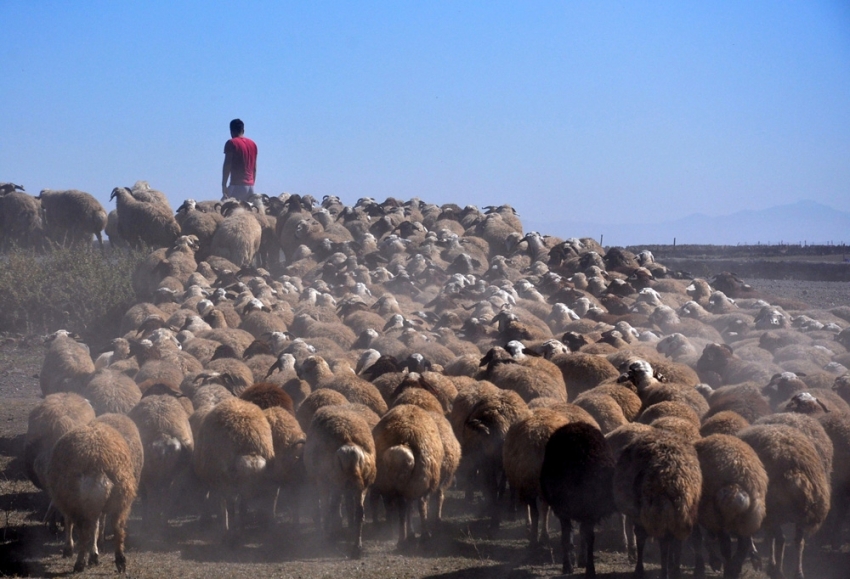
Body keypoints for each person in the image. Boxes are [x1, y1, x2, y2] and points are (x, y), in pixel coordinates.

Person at [221, 118, 258, 201]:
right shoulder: (253, 144)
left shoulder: (231, 143)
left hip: (237, 185)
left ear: (231, 131)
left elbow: (227, 165)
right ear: (243, 130)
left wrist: (224, 184)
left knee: (222, 209)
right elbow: (254, 168)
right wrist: (252, 183)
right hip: (251, 187)